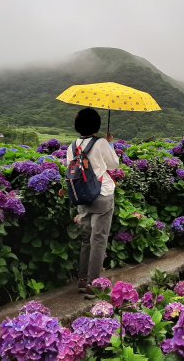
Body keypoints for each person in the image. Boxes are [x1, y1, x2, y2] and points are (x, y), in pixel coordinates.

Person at [66, 108, 119, 299]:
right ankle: (94, 284)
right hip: (102, 194)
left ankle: (82, 280)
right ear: (96, 124)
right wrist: (109, 144)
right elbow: (114, 165)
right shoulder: (101, 143)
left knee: (86, 238)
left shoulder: (72, 146)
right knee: (99, 239)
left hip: (82, 196)